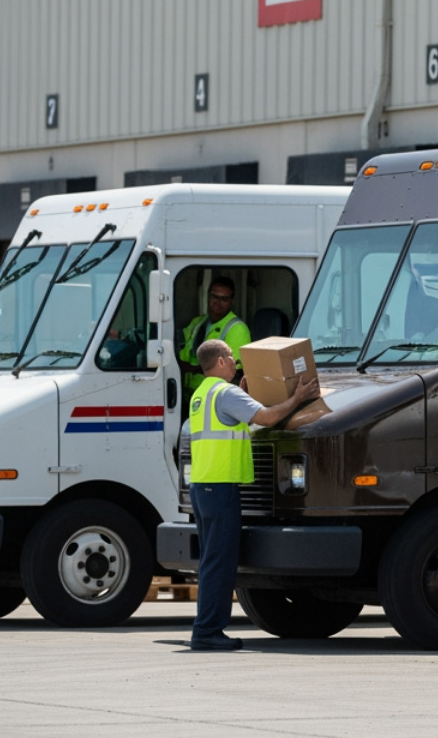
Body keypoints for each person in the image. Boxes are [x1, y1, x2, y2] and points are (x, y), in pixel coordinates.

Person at [186, 338, 317, 651]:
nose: (235, 362)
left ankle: (205, 628)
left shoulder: (201, 394)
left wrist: (243, 395)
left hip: (202, 487)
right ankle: (207, 632)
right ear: (220, 362)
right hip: (220, 488)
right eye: (231, 356)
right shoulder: (225, 393)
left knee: (211, 562)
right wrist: (297, 398)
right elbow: (267, 418)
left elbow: (231, 422)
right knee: (220, 563)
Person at [178, 277, 252, 391]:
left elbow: (233, 372)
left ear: (231, 301)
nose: (218, 302)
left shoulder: (238, 329)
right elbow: (179, 345)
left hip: (214, 393)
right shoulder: (197, 322)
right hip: (188, 390)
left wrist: (193, 369)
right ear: (208, 296)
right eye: (215, 297)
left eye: (224, 299)